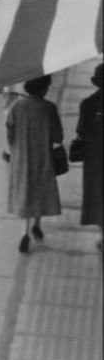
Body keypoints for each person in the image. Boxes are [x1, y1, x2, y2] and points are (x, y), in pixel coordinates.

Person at [6, 75, 64, 253]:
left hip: (22, 156)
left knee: (25, 190)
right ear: (43, 88)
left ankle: (24, 232)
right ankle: (37, 225)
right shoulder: (49, 108)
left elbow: (10, 133)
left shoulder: (16, 106)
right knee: (40, 189)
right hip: (43, 156)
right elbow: (58, 137)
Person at [74, 63, 103, 251]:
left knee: (98, 194)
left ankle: (102, 234)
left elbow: (81, 131)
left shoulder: (87, 104)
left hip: (95, 157)